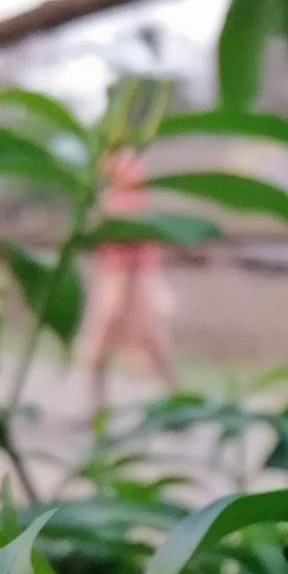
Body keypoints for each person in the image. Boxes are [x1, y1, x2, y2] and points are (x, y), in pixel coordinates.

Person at [78, 148, 176, 410]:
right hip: (115, 267)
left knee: (152, 336)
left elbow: (128, 213)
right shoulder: (104, 162)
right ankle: (96, 407)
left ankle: (177, 399)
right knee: (101, 334)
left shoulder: (128, 164)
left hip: (137, 268)